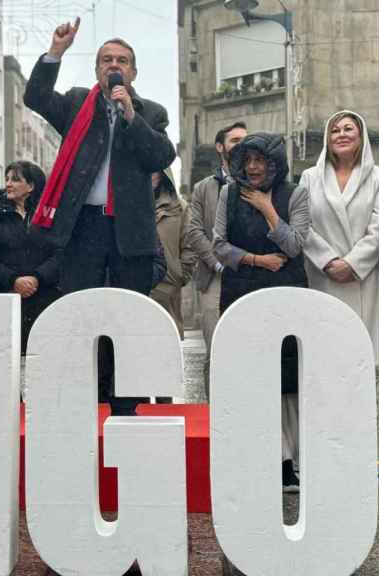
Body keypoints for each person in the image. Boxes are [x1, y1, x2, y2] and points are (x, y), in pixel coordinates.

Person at [23, 19, 175, 414]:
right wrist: (54, 52)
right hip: (84, 226)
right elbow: (36, 97)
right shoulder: (76, 103)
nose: (114, 65)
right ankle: (81, 401)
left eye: (122, 60)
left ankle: (127, 405)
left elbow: (160, 156)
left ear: (133, 72)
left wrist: (129, 115)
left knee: (128, 319)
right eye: (107, 59)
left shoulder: (150, 112)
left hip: (129, 230)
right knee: (80, 315)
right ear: (97, 69)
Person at [212, 132, 310, 492]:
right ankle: (261, 457)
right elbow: (219, 246)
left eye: (261, 161)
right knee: (251, 378)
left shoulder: (295, 194)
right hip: (241, 291)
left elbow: (296, 245)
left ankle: (292, 460)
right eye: (247, 160)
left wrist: (268, 209)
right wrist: (256, 260)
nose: (253, 168)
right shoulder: (228, 194)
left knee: (288, 382)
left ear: (275, 163)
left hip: (287, 294)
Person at [301, 110, 379, 374]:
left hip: (363, 277)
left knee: (359, 362)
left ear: (361, 135)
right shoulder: (309, 177)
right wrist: (328, 261)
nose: (341, 134)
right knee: (325, 359)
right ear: (327, 139)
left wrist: (352, 264)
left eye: (348, 129)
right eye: (335, 130)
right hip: (323, 276)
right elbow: (303, 225)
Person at [186, 122, 247, 398]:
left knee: (250, 348)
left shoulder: (258, 183)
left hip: (252, 275)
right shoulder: (203, 189)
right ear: (221, 147)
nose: (241, 145)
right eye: (235, 140)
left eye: (245, 140)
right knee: (217, 349)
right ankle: (213, 416)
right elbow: (193, 230)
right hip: (216, 279)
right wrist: (218, 262)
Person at [0, 161, 59, 353]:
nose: (8, 184)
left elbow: (60, 253)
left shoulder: (49, 216)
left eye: (15, 179)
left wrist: (37, 277)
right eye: (6, 179)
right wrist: (13, 280)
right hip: (6, 298)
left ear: (31, 186)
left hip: (45, 299)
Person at [150, 168, 193, 337]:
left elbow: (189, 245)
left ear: (163, 174)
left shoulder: (180, 207)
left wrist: (180, 275)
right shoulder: (123, 204)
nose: (150, 175)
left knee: (167, 345)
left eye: (155, 170)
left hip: (168, 289)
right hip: (132, 287)